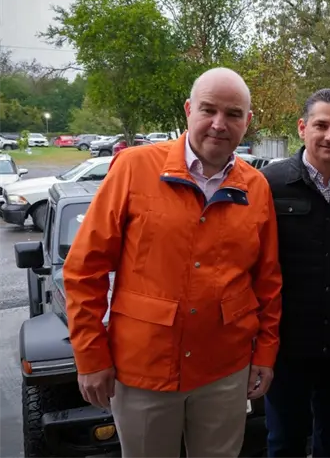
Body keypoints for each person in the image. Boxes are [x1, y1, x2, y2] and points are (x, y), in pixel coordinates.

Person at [63, 67, 283, 458]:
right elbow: (85, 269)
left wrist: (264, 353)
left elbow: (267, 281)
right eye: (208, 110)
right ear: (188, 110)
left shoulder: (256, 187)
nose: (219, 124)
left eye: (233, 114)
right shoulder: (133, 168)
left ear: (247, 122)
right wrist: (91, 356)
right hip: (143, 369)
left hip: (225, 369)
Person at [260, 88, 330, 458]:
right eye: (320, 125)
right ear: (302, 128)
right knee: (285, 438)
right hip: (287, 343)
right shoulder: (270, 184)